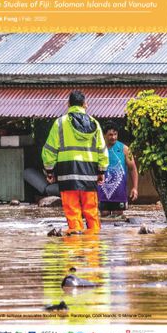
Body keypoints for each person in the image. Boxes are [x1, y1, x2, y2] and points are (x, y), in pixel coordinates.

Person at [42, 90, 109, 235]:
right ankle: (93, 250)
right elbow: (102, 150)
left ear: (68, 104)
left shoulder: (60, 123)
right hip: (90, 175)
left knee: (73, 213)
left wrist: (49, 171)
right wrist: (102, 171)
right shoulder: (95, 124)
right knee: (91, 213)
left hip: (67, 175)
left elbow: (49, 151)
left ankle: (74, 250)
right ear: (85, 104)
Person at [98, 120, 138, 218]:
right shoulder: (98, 149)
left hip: (119, 193)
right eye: (110, 135)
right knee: (104, 215)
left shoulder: (125, 149)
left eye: (115, 134)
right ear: (104, 135)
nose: (114, 137)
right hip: (102, 193)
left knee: (119, 217)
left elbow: (133, 169)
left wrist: (135, 188)